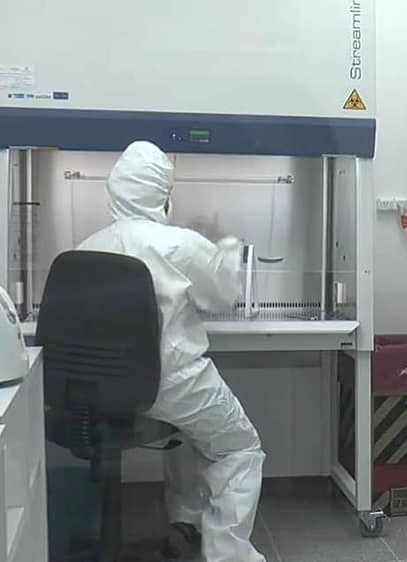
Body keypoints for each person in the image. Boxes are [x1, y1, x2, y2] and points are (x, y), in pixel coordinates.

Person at [78, 141, 266, 562]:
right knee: (237, 448)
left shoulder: (85, 247)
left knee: (189, 432)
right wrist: (226, 247)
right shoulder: (179, 243)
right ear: (164, 195)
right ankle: (228, 554)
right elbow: (222, 296)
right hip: (174, 383)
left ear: (114, 191)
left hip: (98, 390)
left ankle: (186, 519)